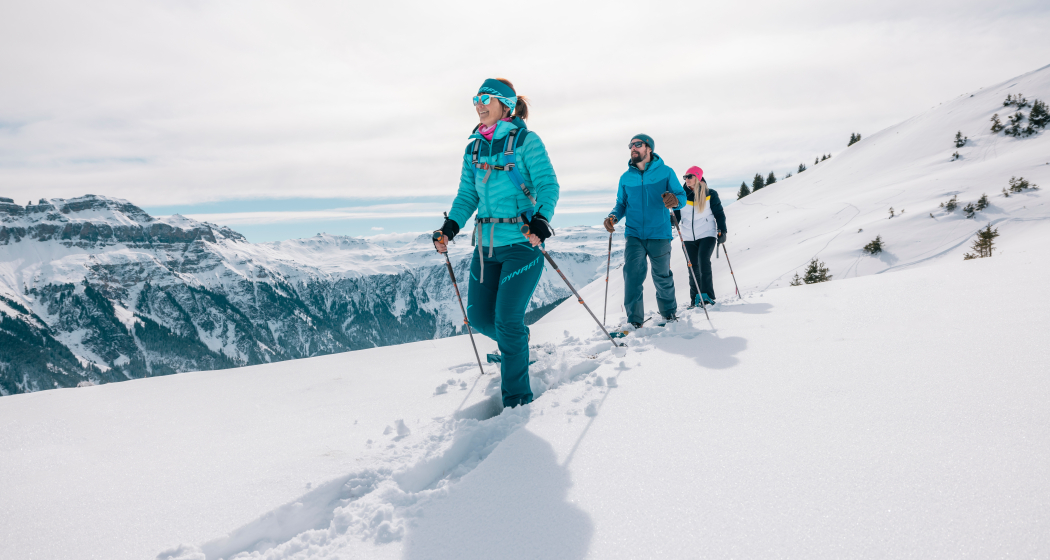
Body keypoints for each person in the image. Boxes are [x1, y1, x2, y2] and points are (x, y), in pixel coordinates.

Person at [432, 78, 560, 409]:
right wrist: (450, 227)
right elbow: (467, 194)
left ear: (505, 104)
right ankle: (517, 343)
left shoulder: (526, 141)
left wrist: (541, 220)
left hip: (522, 244)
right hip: (485, 248)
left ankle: (517, 401)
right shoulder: (473, 148)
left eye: (485, 98)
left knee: (506, 319)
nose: (478, 104)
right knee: (478, 318)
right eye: (475, 99)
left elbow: (548, 184)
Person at [603, 134, 686, 327]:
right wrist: (613, 217)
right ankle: (634, 321)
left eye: (637, 144)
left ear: (649, 148)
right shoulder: (625, 178)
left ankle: (669, 314)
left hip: (659, 233)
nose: (633, 148)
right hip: (633, 235)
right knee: (632, 275)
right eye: (631, 145)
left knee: (662, 275)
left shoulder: (665, 172)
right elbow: (621, 204)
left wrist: (675, 200)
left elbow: (680, 196)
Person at [674, 166, 727, 307]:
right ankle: (695, 298)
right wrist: (670, 221)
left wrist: (723, 230)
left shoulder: (710, 194)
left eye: (689, 176)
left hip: (707, 233)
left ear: (698, 177)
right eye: (685, 177)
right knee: (692, 267)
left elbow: (719, 213)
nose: (686, 179)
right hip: (687, 236)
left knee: (703, 261)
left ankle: (707, 296)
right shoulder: (681, 196)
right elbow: (676, 217)